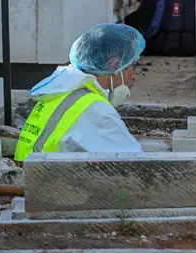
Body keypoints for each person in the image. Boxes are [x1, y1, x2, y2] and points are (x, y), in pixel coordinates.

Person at [14, 24, 145, 161]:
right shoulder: (96, 111)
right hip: (50, 180)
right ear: (115, 64)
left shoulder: (64, 92)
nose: (134, 76)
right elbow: (137, 165)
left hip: (35, 177)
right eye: (133, 66)